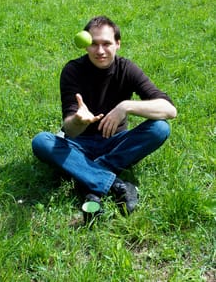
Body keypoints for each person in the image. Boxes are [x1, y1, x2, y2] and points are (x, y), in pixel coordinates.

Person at [32, 16, 177, 214]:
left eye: (106, 44)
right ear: (85, 45)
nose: (100, 51)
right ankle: (115, 184)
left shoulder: (127, 69)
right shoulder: (73, 70)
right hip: (79, 144)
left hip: (116, 142)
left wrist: (126, 106)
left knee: (160, 128)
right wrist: (78, 121)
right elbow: (70, 131)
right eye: (93, 44)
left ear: (118, 44)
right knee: (41, 142)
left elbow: (169, 110)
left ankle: (87, 175)